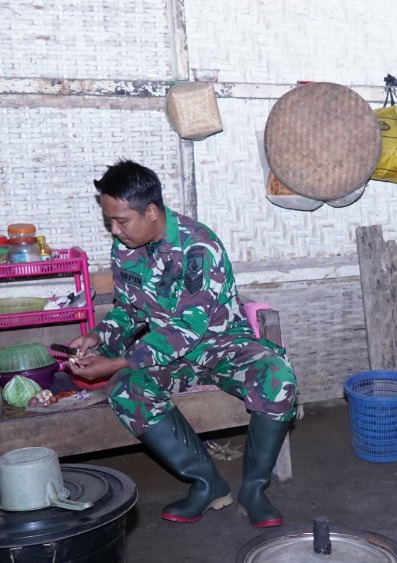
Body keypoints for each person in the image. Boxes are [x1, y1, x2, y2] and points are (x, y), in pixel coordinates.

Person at [66, 160, 297, 527]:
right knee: (126, 388)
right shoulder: (125, 248)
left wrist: (119, 361)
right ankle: (207, 484)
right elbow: (130, 310)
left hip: (221, 346)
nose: (114, 229)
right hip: (172, 357)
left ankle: (254, 489)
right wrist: (98, 336)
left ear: (152, 212)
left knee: (277, 376)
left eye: (121, 220)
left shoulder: (198, 247)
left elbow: (189, 327)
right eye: (109, 220)